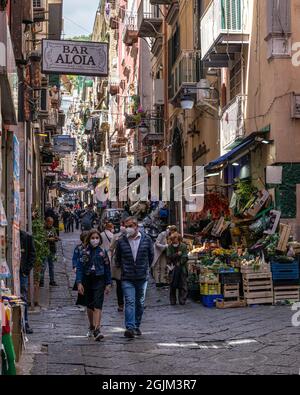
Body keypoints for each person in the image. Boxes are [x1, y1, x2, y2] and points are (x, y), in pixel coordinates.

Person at [115, 217, 154, 339]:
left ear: (136, 226)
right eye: (126, 226)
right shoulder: (121, 241)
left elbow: (151, 256)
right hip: (127, 277)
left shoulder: (147, 239)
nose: (128, 229)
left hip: (142, 276)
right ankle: (130, 328)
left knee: (140, 302)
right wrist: (124, 268)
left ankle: (136, 325)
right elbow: (118, 258)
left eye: (130, 226)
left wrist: (145, 268)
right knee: (130, 301)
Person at [76, 230, 112, 341]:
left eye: (97, 237)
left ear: (99, 239)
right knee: (90, 305)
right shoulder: (84, 252)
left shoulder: (103, 252)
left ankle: (97, 329)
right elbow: (80, 268)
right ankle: (92, 325)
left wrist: (108, 283)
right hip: (87, 279)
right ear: (89, 239)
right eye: (93, 238)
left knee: (98, 304)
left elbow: (107, 268)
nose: (95, 240)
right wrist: (79, 282)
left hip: (99, 280)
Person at [20, 230, 36, 334]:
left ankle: (25, 322)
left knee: (23, 297)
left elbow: (32, 254)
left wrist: (26, 271)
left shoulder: (26, 237)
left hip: (22, 273)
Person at [166, 233, 188, 306]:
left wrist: (180, 262)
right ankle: (173, 300)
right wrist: (177, 255)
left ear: (178, 239)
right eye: (172, 239)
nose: (173, 241)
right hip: (172, 268)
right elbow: (169, 256)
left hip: (182, 268)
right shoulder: (169, 247)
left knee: (183, 284)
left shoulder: (183, 246)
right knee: (172, 284)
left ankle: (182, 299)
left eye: (174, 239)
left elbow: (185, 256)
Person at [109, 222, 126, 312]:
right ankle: (121, 304)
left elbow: (111, 248)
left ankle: (121, 304)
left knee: (120, 285)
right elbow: (111, 248)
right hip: (120, 264)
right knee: (120, 285)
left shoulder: (116, 236)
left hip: (123, 264)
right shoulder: (116, 237)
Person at [40, 217, 59, 287]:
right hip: (45, 249)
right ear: (46, 222)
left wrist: (56, 238)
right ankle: (41, 281)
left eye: (52, 223)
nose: (51, 225)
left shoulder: (53, 229)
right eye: (50, 223)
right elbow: (43, 238)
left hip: (52, 249)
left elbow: (55, 236)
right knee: (43, 266)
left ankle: (52, 281)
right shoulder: (43, 229)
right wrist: (49, 239)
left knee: (52, 266)